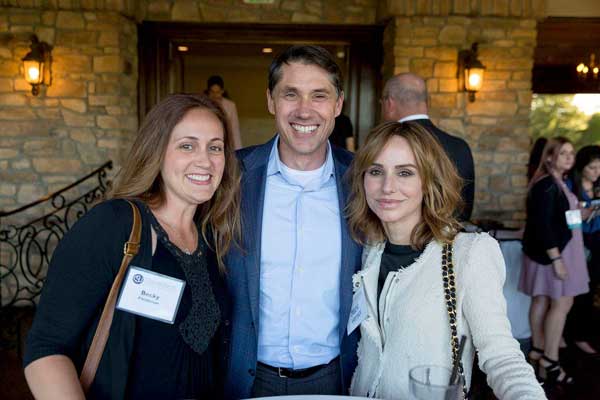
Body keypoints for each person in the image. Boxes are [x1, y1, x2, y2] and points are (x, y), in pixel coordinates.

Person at [23, 94, 241, 399]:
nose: (204, 160)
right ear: (157, 151)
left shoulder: (213, 238)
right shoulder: (114, 225)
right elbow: (46, 349)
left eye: (215, 147)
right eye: (187, 145)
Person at [347, 121, 546, 400]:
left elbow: (502, 356)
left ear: (428, 181)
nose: (387, 186)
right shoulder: (368, 249)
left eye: (405, 172)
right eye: (376, 171)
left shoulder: (469, 254)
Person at [224, 45, 362, 399]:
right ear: (271, 101)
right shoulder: (231, 177)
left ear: (337, 105)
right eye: (291, 94)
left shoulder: (365, 181)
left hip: (338, 377)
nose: (304, 110)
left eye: (319, 96)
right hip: (244, 378)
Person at [519, 137, 589, 385]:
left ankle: (538, 352)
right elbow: (543, 224)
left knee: (542, 299)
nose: (569, 157)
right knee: (561, 303)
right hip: (556, 253)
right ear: (549, 157)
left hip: (559, 249)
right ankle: (550, 359)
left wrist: (581, 213)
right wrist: (557, 259)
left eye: (571, 153)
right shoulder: (547, 184)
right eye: (563, 153)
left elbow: (558, 217)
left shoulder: (560, 182)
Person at [381, 73, 475, 221]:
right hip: (452, 239)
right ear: (426, 102)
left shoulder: (385, 146)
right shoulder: (460, 147)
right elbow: (464, 210)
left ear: (389, 103)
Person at [564, 145, 600, 355]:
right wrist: (583, 214)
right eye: (592, 168)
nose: (597, 172)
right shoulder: (570, 186)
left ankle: (582, 333)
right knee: (579, 292)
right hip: (579, 243)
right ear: (582, 167)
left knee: (590, 288)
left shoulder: (597, 185)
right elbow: (564, 220)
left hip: (596, 243)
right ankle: (575, 335)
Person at [206, 75, 243, 150]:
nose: (215, 96)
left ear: (222, 91)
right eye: (212, 92)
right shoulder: (203, 105)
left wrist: (238, 151)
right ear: (208, 92)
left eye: (218, 92)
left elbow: (235, 130)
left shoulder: (230, 106)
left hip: (225, 144)